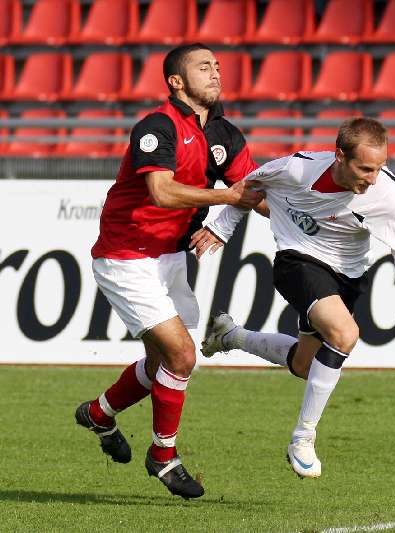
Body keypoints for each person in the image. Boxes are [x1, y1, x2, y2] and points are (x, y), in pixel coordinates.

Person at [191, 117, 395, 479]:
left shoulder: (388, 196)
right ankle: (303, 438)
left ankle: (230, 336)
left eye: (380, 168)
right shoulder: (298, 168)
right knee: (344, 334)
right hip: (298, 259)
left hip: (348, 277)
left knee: (305, 366)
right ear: (339, 155)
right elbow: (251, 184)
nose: (372, 178)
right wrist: (221, 225)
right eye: (365, 168)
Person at [74, 43, 265, 499]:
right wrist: (227, 199)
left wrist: (321, 215)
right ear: (176, 81)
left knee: (163, 362)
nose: (216, 73)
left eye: (218, 66)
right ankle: (164, 457)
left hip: (170, 258)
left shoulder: (225, 133)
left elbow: (254, 191)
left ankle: (99, 414)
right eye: (204, 67)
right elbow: (161, 192)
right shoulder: (156, 127)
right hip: (126, 257)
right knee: (181, 356)